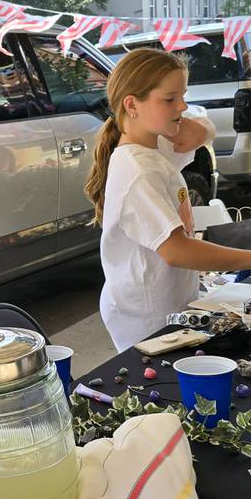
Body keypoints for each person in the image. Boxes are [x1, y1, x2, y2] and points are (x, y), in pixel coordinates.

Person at [84, 48, 251, 352]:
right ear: (132, 105)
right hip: (146, 318)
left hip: (171, 305)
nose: (183, 105)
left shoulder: (156, 145)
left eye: (183, 95)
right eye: (170, 99)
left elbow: (202, 125)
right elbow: (176, 250)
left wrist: (202, 130)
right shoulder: (136, 169)